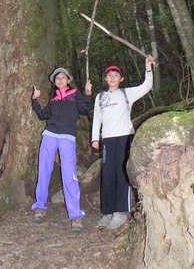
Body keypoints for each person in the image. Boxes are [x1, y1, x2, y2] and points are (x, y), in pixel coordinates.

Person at [91, 55, 154, 229]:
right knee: (107, 175)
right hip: (107, 140)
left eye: (115, 75)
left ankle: (121, 212)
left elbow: (147, 86)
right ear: (105, 78)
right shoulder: (100, 97)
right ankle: (107, 212)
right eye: (109, 75)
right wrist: (95, 138)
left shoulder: (127, 93)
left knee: (121, 173)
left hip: (124, 137)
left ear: (121, 78)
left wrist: (148, 68)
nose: (112, 78)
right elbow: (97, 118)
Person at [31, 67, 92, 232]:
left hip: (67, 137)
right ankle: (40, 206)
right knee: (44, 170)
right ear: (54, 82)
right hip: (49, 135)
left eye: (63, 77)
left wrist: (87, 93)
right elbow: (43, 115)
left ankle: (75, 215)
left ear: (68, 80)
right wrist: (35, 100)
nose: (60, 79)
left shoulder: (74, 94)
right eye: (57, 78)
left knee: (69, 174)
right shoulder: (53, 99)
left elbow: (86, 110)